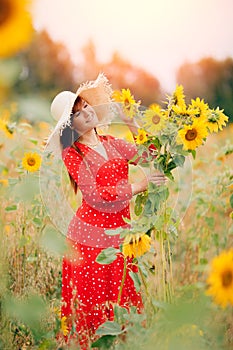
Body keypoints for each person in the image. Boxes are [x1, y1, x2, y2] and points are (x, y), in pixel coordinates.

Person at [46, 73, 166, 348]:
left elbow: (149, 155)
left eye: (86, 105)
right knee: (95, 297)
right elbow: (95, 195)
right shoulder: (73, 154)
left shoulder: (112, 142)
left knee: (123, 291)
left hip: (122, 230)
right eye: (77, 114)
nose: (86, 113)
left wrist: (131, 122)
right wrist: (138, 186)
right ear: (70, 127)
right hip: (90, 236)